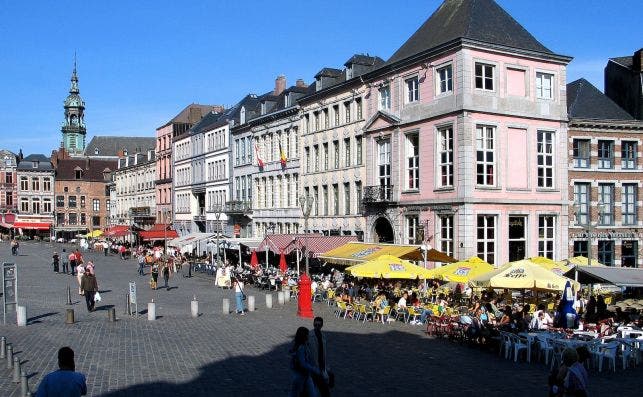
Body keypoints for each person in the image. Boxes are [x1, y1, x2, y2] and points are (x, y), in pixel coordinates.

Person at [289, 327, 321, 397]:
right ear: (304, 336)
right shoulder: (301, 348)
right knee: (294, 394)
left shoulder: (303, 345)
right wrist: (314, 369)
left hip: (306, 375)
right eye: (307, 335)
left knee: (312, 394)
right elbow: (303, 363)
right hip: (299, 375)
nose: (308, 336)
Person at [308, 317, 332, 397]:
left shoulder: (323, 336)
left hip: (321, 365)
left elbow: (323, 351)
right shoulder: (309, 336)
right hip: (313, 366)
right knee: (323, 390)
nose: (317, 326)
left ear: (322, 325)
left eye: (319, 325)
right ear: (313, 324)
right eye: (315, 324)